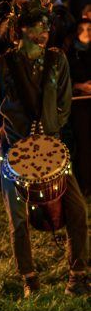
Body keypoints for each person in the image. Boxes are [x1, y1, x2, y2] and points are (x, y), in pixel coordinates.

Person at [0, 3, 88, 297]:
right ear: (21, 30)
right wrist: (15, 144)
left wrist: (47, 132)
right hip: (13, 149)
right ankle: (29, 277)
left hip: (52, 147)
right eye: (38, 26)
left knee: (77, 208)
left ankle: (78, 274)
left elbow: (65, 103)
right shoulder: (0, 66)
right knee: (17, 218)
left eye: (47, 26)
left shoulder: (58, 61)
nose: (44, 32)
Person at [68, 18, 91, 196]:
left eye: (89, 28)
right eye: (82, 28)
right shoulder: (70, 52)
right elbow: (65, 78)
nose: (86, 32)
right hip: (79, 104)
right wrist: (78, 85)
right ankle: (84, 184)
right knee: (83, 143)